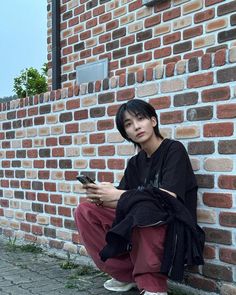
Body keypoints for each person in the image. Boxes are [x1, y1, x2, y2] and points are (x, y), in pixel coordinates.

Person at [74, 99, 204, 295]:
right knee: (85, 211)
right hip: (141, 224)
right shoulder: (135, 163)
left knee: (143, 209)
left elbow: (168, 197)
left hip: (174, 226)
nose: (136, 126)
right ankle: (125, 274)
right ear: (125, 133)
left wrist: (119, 194)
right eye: (128, 124)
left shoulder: (173, 150)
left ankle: (153, 285)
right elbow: (123, 200)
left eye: (140, 119)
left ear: (153, 121)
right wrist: (101, 195)